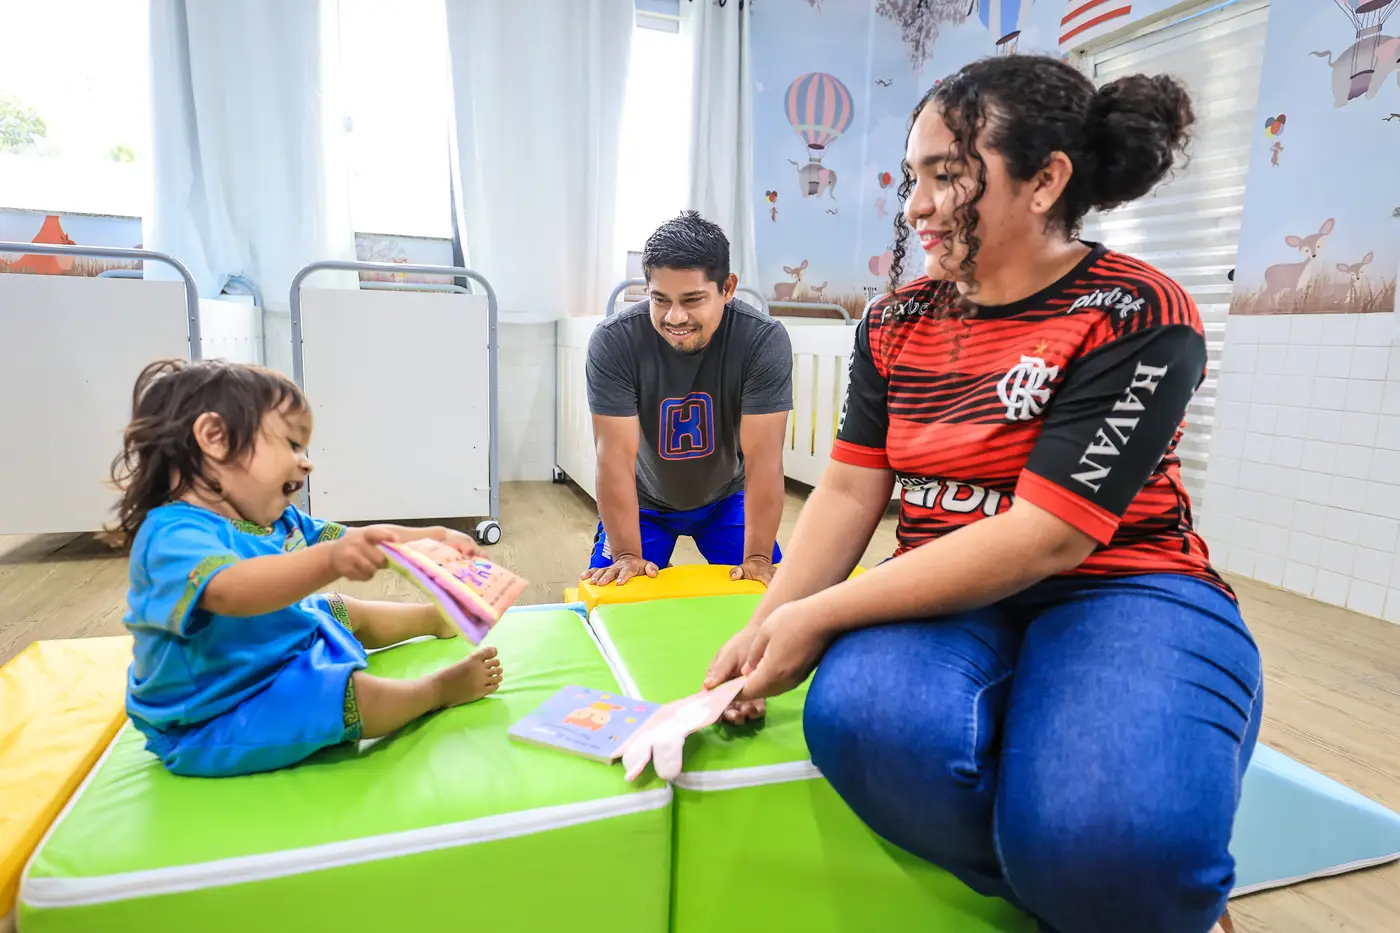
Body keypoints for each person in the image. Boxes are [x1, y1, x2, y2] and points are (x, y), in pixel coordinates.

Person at [704, 55, 1256, 933]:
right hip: (943, 586)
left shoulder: (1137, 311)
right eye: (913, 178)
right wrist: (768, 622)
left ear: (1045, 181)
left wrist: (820, 615)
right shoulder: (896, 320)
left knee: (1117, 835)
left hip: (1123, 586)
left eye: (947, 176)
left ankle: (1132, 884)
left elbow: (1048, 535)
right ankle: (1100, 895)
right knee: (865, 727)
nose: (915, 206)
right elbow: (848, 489)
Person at [110, 358, 504, 778]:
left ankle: (431, 619)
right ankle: (437, 691)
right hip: (216, 712)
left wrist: (432, 539)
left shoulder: (276, 520)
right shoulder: (171, 533)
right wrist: (330, 559)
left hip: (269, 653)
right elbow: (231, 591)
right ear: (216, 438)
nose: (306, 462)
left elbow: (363, 538)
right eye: (292, 444)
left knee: (337, 607)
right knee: (349, 697)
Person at [583, 211, 792, 587]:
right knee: (615, 592)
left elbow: (765, 460)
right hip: (643, 501)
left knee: (767, 595)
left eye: (692, 299)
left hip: (727, 498)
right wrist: (627, 554)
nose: (675, 317)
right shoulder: (614, 341)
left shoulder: (761, 340)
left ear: (728, 288)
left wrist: (758, 557)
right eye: (660, 299)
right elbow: (613, 458)